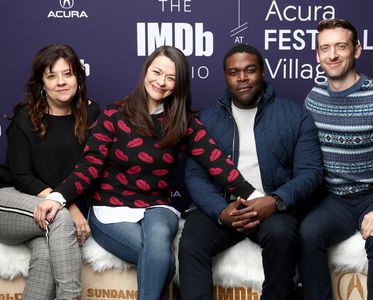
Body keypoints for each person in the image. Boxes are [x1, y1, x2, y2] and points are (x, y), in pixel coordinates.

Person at [33, 45, 260, 300]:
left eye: (171, 77)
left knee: (159, 235)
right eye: (157, 72)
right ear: (145, 71)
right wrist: (58, 197)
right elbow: (89, 166)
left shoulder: (183, 122)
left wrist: (256, 197)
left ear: (179, 84)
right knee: (161, 259)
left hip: (156, 208)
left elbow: (217, 162)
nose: (161, 82)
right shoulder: (113, 115)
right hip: (111, 210)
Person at [178, 43, 324, 300]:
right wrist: (221, 212)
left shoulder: (295, 114)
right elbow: (194, 176)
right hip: (224, 206)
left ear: (263, 72)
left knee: (281, 235)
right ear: (225, 76)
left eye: (250, 70)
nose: (242, 78)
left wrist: (275, 201)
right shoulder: (206, 120)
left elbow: (310, 172)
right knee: (191, 242)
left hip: (272, 207)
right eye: (234, 72)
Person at [299, 18, 373, 300]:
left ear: (357, 50)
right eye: (325, 48)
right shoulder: (314, 98)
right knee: (307, 233)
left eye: (341, 46)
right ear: (317, 55)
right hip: (336, 199)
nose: (332, 55)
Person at [0, 44, 100, 300]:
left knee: (46, 253)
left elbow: (91, 171)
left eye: (67, 74)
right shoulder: (25, 117)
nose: (61, 82)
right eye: (51, 76)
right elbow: (22, 177)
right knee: (61, 219)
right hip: (9, 198)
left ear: (78, 77)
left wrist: (65, 202)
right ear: (41, 83)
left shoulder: (92, 115)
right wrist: (65, 205)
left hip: (49, 210)